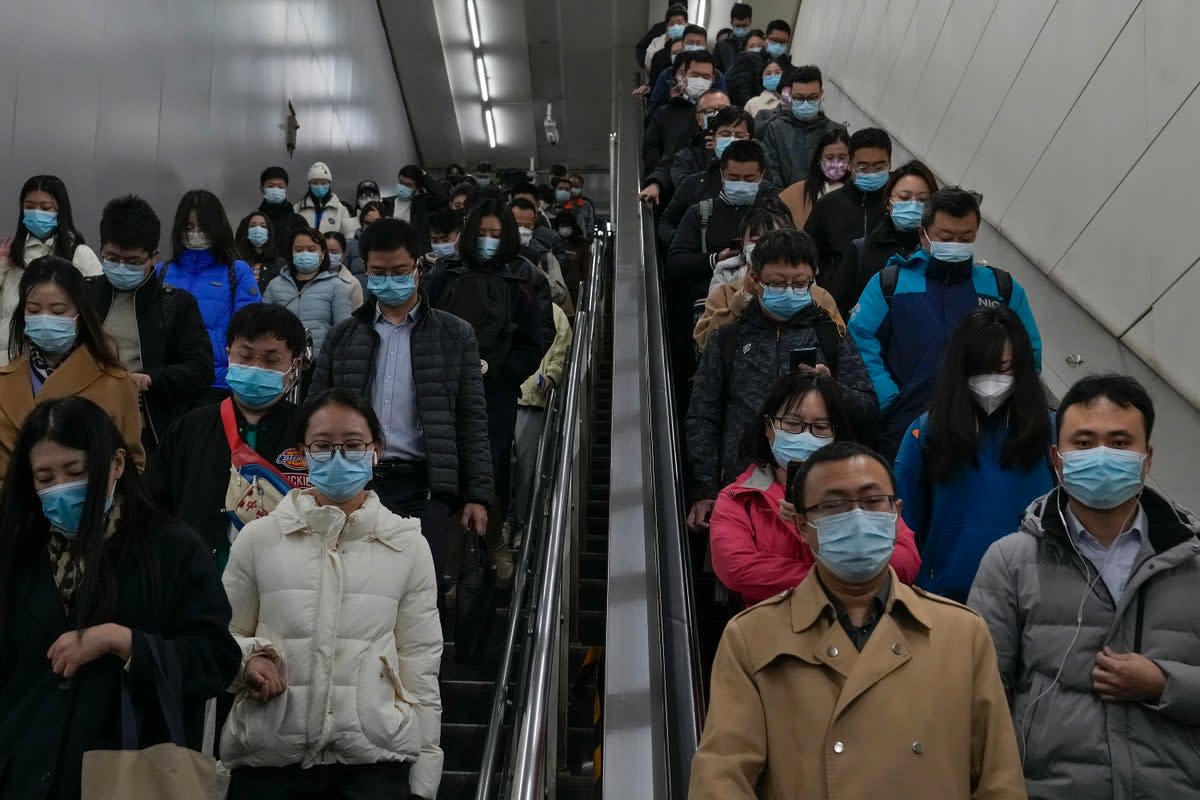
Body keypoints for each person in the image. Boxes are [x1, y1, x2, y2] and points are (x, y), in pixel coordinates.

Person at [690, 441, 1026, 799]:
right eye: (833, 505)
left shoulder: (961, 633)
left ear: (896, 513)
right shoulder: (752, 637)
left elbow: (998, 780)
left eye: (871, 501)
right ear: (803, 527)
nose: (856, 517)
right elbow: (721, 780)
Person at [970, 374, 1200, 798]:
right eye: (1083, 442)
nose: (1101, 456)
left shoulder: (1192, 562)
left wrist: (1164, 684)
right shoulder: (1010, 561)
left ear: (1146, 459)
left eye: (1119, 442)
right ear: (1057, 458)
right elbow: (979, 700)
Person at [0, 397, 240, 800]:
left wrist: (124, 642)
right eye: (45, 478)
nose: (61, 489)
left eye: (75, 471)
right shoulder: (17, 552)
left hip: (128, 776)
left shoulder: (172, 550)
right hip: (24, 773)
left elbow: (215, 659)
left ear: (115, 464)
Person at [221, 389, 441, 799]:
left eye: (353, 445)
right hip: (269, 762)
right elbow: (218, 640)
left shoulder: (408, 544)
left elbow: (421, 667)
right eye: (322, 445)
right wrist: (247, 661)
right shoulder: (259, 538)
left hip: (374, 766)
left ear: (375, 452)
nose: (339, 456)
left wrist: (424, 780)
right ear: (302, 454)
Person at [310, 218, 493, 588]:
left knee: (422, 591)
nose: (388, 280)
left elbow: (471, 418)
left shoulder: (455, 334)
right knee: (350, 588)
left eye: (399, 271)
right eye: (378, 272)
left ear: (418, 268)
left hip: (424, 487)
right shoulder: (343, 336)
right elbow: (314, 413)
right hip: (355, 483)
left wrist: (478, 494)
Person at [687, 229, 878, 532]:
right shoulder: (728, 338)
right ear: (754, 277)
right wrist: (705, 489)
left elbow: (867, 407)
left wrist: (831, 389)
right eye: (776, 283)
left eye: (800, 283)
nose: (789, 291)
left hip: (821, 492)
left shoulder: (831, 335)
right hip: (742, 489)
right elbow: (703, 415)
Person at [849, 187, 1042, 458]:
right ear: (923, 235)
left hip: (986, 428)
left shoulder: (1002, 288)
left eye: (966, 237)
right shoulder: (891, 283)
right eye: (946, 236)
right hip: (906, 426)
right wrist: (889, 399)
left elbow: (1029, 353)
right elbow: (859, 339)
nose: (956, 244)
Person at [424, 201, 552, 587]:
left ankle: (493, 540)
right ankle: (447, 558)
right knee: (443, 465)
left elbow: (539, 336)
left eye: (497, 235)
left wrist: (504, 371)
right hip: (442, 389)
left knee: (493, 465)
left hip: (496, 391)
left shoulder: (525, 277)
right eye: (482, 233)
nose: (489, 242)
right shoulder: (444, 274)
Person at [710, 372, 920, 606]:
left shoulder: (864, 492)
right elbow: (737, 570)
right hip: (776, 632)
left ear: (834, 433)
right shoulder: (739, 498)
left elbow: (906, 561)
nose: (805, 436)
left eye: (820, 427)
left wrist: (841, 521)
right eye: (792, 424)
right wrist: (848, 576)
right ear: (768, 428)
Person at [894, 307, 1054, 602]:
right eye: (980, 370)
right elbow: (904, 528)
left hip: (1036, 600)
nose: (992, 382)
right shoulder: (925, 433)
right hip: (946, 601)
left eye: (1005, 369)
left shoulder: (1051, 432)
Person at [146, 304, 311, 570]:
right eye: (245, 356)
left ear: (295, 365)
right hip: (200, 580)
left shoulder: (311, 431)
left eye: (271, 360)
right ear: (228, 355)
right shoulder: (191, 427)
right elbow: (153, 506)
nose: (256, 367)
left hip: (284, 582)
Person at [86, 195, 214, 454]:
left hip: (147, 431)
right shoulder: (83, 294)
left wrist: (151, 379)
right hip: (86, 423)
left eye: (132, 261)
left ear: (153, 257)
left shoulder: (176, 304)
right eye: (111, 257)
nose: (120, 266)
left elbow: (201, 369)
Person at [0, 257, 145, 478]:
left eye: (58, 311)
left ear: (80, 313)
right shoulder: (4, 381)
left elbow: (133, 466)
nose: (45, 319)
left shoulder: (115, 382)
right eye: (34, 310)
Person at [666, 140, 781, 389]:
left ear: (761, 176)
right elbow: (675, 262)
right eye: (734, 177)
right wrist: (715, 259)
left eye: (749, 178)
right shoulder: (701, 213)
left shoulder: (775, 216)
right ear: (722, 174)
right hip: (711, 311)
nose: (741, 183)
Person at [693, 207, 842, 350]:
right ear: (742, 245)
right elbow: (706, 343)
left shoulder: (819, 296)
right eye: (756, 240)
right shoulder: (724, 293)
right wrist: (743, 297)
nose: (765, 246)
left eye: (775, 238)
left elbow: (841, 347)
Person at [158, 189, 260, 391]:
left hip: (218, 383)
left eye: (203, 227)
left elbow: (250, 331)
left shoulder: (237, 272)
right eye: (188, 226)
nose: (195, 233)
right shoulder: (161, 272)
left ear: (217, 227)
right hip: (168, 381)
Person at [0, 176, 102, 356]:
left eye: (45, 208)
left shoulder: (79, 253)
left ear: (61, 210)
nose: (36, 213)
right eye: (29, 207)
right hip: (6, 356)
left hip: (61, 357)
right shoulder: (11, 253)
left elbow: (97, 310)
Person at [829, 160, 938, 315]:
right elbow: (837, 306)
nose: (913, 205)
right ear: (888, 202)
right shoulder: (862, 250)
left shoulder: (938, 252)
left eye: (923, 200)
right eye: (904, 197)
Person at [508, 303, 572, 550]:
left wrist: (552, 376)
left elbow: (561, 352)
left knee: (526, 468)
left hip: (533, 400)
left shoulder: (553, 312)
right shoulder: (505, 303)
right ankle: (505, 520)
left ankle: (521, 524)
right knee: (505, 466)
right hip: (505, 396)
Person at [658, 106, 756, 248]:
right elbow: (666, 223)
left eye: (740, 136)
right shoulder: (695, 183)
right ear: (713, 137)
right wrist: (685, 243)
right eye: (725, 134)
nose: (732, 140)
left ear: (750, 140)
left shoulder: (764, 187)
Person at [804, 127, 892, 280]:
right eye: (863, 167)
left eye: (879, 167)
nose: (871, 173)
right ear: (850, 165)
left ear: (890, 164)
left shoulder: (901, 203)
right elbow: (807, 255)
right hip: (838, 299)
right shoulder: (828, 205)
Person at [263, 226, 353, 363]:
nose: (305, 254)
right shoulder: (275, 285)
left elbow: (343, 330)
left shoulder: (336, 286)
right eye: (298, 250)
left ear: (322, 253)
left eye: (311, 250)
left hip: (319, 362)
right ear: (291, 253)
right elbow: (263, 324)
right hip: (279, 361)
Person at [639, 90, 732, 208]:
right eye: (710, 111)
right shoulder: (690, 143)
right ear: (699, 118)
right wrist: (655, 183)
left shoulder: (750, 141)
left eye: (723, 110)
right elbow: (669, 163)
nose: (718, 115)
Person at [757, 66, 844, 190]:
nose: (806, 103)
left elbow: (841, 175)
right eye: (800, 98)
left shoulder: (836, 132)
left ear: (821, 94)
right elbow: (771, 174)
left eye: (813, 97)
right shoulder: (776, 129)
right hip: (783, 203)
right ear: (791, 95)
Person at [643, 52, 721, 173]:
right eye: (695, 75)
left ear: (713, 80)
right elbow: (651, 153)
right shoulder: (664, 113)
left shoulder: (724, 113)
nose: (700, 80)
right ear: (684, 76)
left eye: (706, 77)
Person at [776, 127, 850, 230]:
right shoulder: (798, 192)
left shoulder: (859, 191)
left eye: (842, 157)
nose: (835, 163)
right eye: (829, 157)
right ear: (819, 159)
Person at [511, 198, 570, 310]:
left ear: (534, 224)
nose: (522, 230)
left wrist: (541, 274)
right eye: (517, 225)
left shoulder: (544, 255)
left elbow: (560, 295)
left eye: (527, 226)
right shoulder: (497, 252)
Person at [381, 165, 450, 251]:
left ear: (418, 188)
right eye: (401, 182)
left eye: (408, 185)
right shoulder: (386, 204)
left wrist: (424, 175)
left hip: (416, 252)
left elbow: (442, 198)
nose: (403, 187)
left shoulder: (422, 203)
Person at [725, 19, 792, 106]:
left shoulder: (788, 67)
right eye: (774, 40)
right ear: (765, 39)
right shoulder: (747, 59)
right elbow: (741, 91)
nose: (778, 45)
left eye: (782, 42)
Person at [295, 161, 359, 238]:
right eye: (315, 183)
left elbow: (348, 238)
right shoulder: (298, 209)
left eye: (323, 183)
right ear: (309, 185)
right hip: (307, 249)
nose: (319, 186)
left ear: (329, 184)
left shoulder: (341, 210)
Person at [235, 211, 286, 292]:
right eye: (253, 226)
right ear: (246, 231)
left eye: (263, 226)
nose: (258, 230)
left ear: (268, 232)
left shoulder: (279, 263)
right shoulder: (237, 262)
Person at [552, 211, 590, 306]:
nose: (564, 229)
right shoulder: (552, 242)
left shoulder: (581, 243)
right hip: (557, 286)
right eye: (562, 226)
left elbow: (585, 268)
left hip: (574, 287)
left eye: (567, 226)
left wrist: (585, 287)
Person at [636, 3, 686, 72]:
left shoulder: (691, 40)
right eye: (671, 24)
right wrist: (666, 43)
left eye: (679, 23)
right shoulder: (656, 41)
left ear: (686, 24)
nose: (675, 26)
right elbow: (649, 64)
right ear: (667, 25)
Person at [323, 231, 366, 306]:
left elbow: (356, 312)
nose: (328, 256)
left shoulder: (352, 283)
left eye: (334, 252)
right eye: (325, 252)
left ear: (343, 255)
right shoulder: (309, 276)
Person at [714, 3, 754, 73]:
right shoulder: (721, 46)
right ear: (731, 23)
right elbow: (716, 72)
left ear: (750, 22)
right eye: (738, 26)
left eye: (744, 26)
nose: (741, 29)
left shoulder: (757, 45)